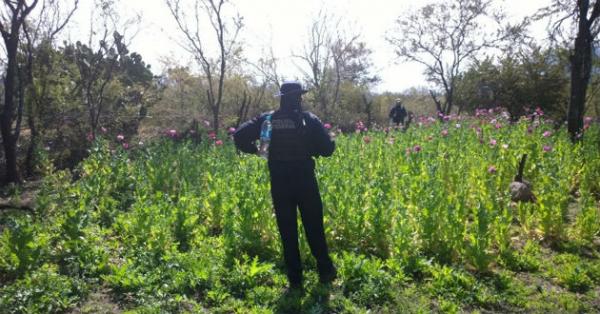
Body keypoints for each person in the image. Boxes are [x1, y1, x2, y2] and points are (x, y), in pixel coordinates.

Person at [233, 81, 337, 291]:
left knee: (287, 231)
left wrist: (257, 151)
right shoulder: (309, 119)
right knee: (314, 227)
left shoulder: (267, 119)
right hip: (305, 181)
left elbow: (239, 136)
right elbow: (327, 150)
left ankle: (295, 280)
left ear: (281, 97)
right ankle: (325, 271)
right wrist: (327, 142)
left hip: (280, 183)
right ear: (298, 97)